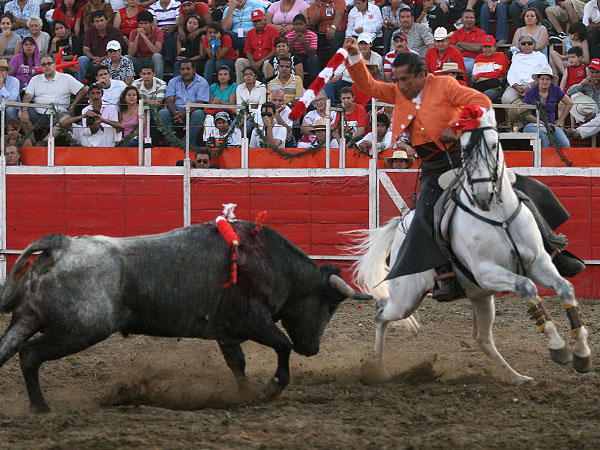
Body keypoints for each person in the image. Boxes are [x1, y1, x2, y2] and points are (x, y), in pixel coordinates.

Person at [344, 37, 584, 300]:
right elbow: (366, 84)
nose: (399, 85)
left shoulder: (445, 85)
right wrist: (354, 55)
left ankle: (553, 252)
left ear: (422, 75)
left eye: (404, 79)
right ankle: (446, 277)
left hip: (465, 159)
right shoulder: (398, 92)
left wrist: (457, 125)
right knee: (425, 219)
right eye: (396, 80)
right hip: (433, 170)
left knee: (522, 189)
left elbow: (482, 100)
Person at [21, 54, 88, 129]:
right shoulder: (35, 79)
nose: (47, 66)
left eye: (49, 63)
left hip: (59, 113)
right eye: (43, 64)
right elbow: (27, 96)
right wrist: (24, 110)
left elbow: (83, 90)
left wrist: (73, 106)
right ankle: (31, 140)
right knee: (21, 113)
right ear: (41, 67)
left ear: (54, 64)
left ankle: (44, 141)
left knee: (65, 119)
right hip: (38, 113)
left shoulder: (66, 78)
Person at [158, 59, 210, 147]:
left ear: (194, 70)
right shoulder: (173, 81)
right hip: (176, 112)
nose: (185, 71)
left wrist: (185, 113)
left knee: (199, 114)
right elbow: (169, 100)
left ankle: (186, 143)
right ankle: (174, 143)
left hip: (192, 113)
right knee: (162, 113)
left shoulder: (202, 82)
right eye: (183, 69)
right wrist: (176, 113)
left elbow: (200, 103)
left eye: (188, 69)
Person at [523, 66, 573, 148]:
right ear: (538, 80)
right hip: (533, 124)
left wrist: (560, 120)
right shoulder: (531, 92)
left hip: (551, 125)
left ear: (551, 81)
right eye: (542, 79)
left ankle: (562, 160)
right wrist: (544, 124)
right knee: (543, 134)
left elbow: (569, 103)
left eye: (547, 79)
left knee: (565, 144)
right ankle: (543, 159)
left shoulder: (556, 90)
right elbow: (526, 113)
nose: (545, 82)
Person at [235, 9, 279, 84]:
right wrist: (253, 64)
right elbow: (247, 51)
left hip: (267, 60)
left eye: (260, 20)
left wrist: (260, 62)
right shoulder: (250, 33)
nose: (258, 23)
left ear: (264, 19)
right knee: (240, 61)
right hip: (254, 61)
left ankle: (268, 87)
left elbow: (274, 50)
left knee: (267, 63)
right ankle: (240, 88)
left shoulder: (273, 31)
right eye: (255, 21)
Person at [501, 34, 548, 104]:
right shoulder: (516, 57)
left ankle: (521, 110)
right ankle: (520, 109)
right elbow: (511, 75)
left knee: (535, 99)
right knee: (506, 99)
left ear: (534, 45)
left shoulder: (541, 57)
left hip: (535, 86)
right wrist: (516, 86)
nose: (526, 45)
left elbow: (545, 74)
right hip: (517, 87)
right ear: (520, 45)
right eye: (523, 43)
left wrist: (530, 86)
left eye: (529, 43)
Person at [80, 10, 126, 79]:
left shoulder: (115, 31)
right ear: (93, 23)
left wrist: (102, 59)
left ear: (107, 20)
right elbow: (86, 49)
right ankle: (79, 86)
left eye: (102, 20)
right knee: (82, 59)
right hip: (94, 62)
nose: (100, 23)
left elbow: (119, 51)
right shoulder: (89, 32)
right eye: (97, 21)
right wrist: (94, 58)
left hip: (110, 61)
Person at [565, 58, 600, 139]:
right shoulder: (587, 81)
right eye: (592, 72)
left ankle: (577, 132)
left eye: (597, 72)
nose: (594, 75)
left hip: (597, 115)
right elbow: (569, 92)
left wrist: (595, 114)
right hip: (588, 112)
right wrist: (583, 85)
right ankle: (579, 126)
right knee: (575, 95)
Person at [449, 9, 485, 83]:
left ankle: (467, 89)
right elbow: (451, 48)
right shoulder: (455, 33)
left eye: (471, 18)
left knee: (465, 67)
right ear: (462, 20)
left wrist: (459, 43)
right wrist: (470, 48)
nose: (469, 20)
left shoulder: (481, 33)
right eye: (466, 17)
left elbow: (478, 47)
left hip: (474, 59)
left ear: (475, 20)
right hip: (457, 59)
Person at [127, 10, 164, 80]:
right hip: (140, 61)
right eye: (141, 23)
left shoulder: (158, 32)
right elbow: (130, 53)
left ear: (151, 23)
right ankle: (128, 83)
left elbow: (157, 51)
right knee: (126, 58)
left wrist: (144, 37)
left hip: (153, 61)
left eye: (146, 23)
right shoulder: (133, 33)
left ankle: (159, 82)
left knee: (157, 56)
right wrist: (137, 37)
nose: (143, 26)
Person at [472, 35, 510, 100]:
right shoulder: (479, 57)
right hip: (480, 85)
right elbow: (473, 77)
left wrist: (479, 76)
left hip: (496, 87)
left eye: (490, 47)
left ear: (495, 47)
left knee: (486, 95)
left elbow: (496, 74)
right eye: (485, 47)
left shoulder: (501, 55)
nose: (487, 49)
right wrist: (489, 74)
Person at [285, 14, 319, 83]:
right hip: (295, 58)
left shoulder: (312, 35)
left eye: (301, 24)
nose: (298, 27)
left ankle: (315, 85)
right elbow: (288, 53)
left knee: (313, 60)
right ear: (293, 26)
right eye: (296, 24)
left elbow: (312, 54)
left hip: (307, 59)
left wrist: (303, 42)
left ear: (305, 25)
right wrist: (293, 41)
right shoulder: (289, 35)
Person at [148, 0, 180, 66]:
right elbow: (154, 24)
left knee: (172, 36)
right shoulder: (152, 7)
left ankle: (170, 62)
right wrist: (160, 32)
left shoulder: (177, 4)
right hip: (158, 31)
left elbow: (178, 22)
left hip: (174, 30)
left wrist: (173, 27)